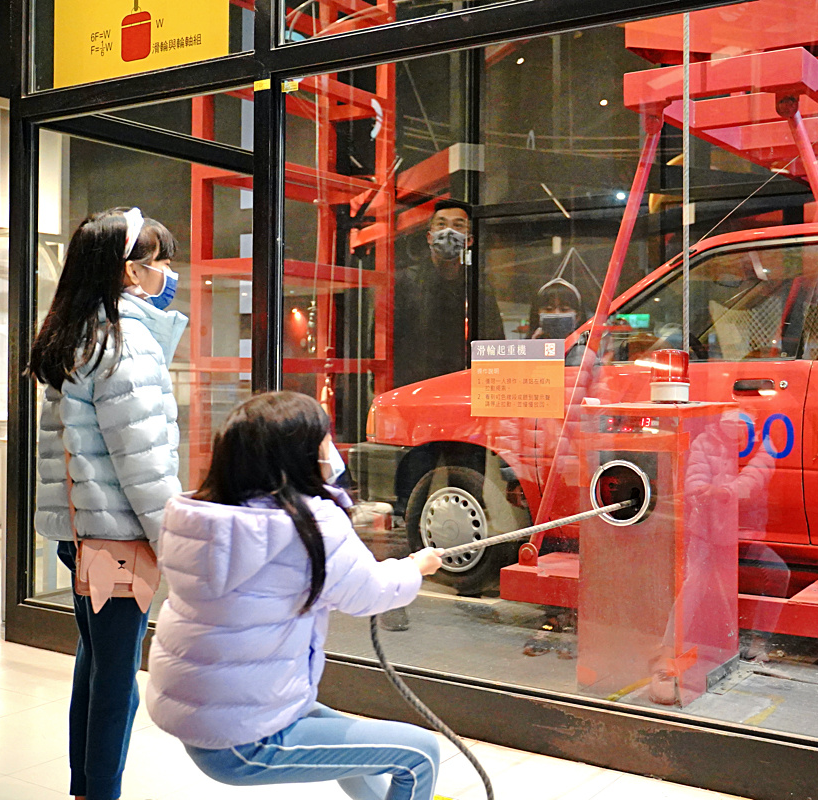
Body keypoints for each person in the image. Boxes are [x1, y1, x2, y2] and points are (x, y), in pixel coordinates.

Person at [145, 391, 445, 800]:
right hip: (246, 741)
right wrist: (417, 567)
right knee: (420, 753)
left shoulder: (202, 517)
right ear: (299, 455)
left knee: (355, 749)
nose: (332, 452)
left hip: (208, 719)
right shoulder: (307, 526)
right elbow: (370, 592)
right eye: (324, 442)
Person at [30, 207, 186, 800]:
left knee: (96, 662)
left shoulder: (79, 330)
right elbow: (141, 460)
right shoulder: (125, 340)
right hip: (117, 536)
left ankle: (84, 786)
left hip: (83, 533)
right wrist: (172, 542)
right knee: (117, 676)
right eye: (159, 262)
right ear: (128, 272)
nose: (168, 273)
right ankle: (101, 792)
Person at [393, 199, 505, 387]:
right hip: (414, 388)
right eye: (442, 224)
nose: (448, 231)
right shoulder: (405, 282)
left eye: (458, 225)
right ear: (429, 237)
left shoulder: (478, 288)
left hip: (463, 386)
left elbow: (494, 341)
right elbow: (387, 342)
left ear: (469, 240)